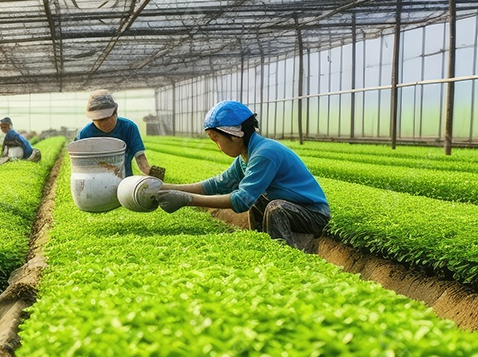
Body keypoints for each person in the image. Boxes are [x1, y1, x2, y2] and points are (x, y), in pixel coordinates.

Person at [153, 100, 331, 252]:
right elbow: (218, 184)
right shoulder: (246, 156)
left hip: (312, 214)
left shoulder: (264, 153)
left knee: (275, 208)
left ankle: (283, 251)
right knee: (260, 199)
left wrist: (188, 200)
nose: (217, 146)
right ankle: (262, 244)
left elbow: (241, 200)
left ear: (235, 135)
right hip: (293, 207)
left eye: (216, 139)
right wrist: (165, 187)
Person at [75, 90, 156, 178]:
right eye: (99, 120)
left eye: (107, 118)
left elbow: (141, 160)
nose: (104, 123)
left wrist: (154, 174)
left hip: (124, 181)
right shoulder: (85, 134)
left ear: (115, 112)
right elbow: (81, 166)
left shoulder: (129, 127)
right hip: (96, 182)